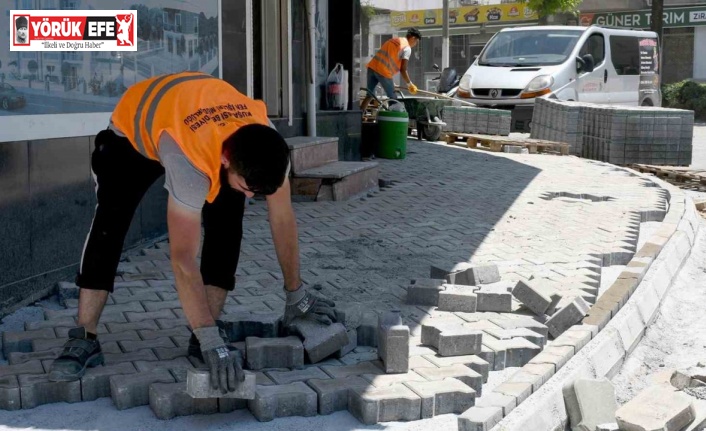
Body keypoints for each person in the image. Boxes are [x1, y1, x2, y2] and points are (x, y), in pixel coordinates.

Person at [47, 71, 336, 393]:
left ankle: (203, 334)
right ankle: (85, 335)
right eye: (247, 187)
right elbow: (183, 258)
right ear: (227, 161)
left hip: (206, 119)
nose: (253, 196)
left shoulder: (269, 149)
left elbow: (282, 218)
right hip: (133, 136)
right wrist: (213, 338)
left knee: (227, 226)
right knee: (109, 227)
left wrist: (295, 293)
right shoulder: (188, 161)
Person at [360, 27, 422, 114]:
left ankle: (358, 116)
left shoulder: (394, 40)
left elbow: (389, 58)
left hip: (372, 67)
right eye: (416, 42)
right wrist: (409, 84)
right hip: (383, 72)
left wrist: (390, 82)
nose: (415, 44)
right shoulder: (407, 48)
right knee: (393, 98)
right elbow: (403, 69)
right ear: (413, 38)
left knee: (369, 95)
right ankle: (393, 121)